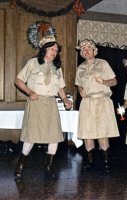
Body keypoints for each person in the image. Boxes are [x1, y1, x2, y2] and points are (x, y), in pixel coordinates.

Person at [14, 35, 72, 179]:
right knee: (31, 137)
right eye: (52, 48)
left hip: (51, 104)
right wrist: (29, 92)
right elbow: (18, 80)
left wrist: (65, 99)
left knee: (54, 137)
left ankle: (48, 167)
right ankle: (20, 166)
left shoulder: (57, 68)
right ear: (44, 49)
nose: (54, 52)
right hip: (36, 103)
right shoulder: (33, 63)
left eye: (56, 49)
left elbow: (60, 87)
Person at [75, 39, 119, 172]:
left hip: (102, 101)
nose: (86, 50)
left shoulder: (103, 63)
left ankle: (106, 160)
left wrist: (104, 81)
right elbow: (79, 85)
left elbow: (114, 81)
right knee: (87, 132)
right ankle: (89, 160)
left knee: (102, 132)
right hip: (87, 102)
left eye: (89, 48)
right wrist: (80, 91)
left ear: (94, 51)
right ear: (82, 53)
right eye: (84, 49)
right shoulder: (80, 68)